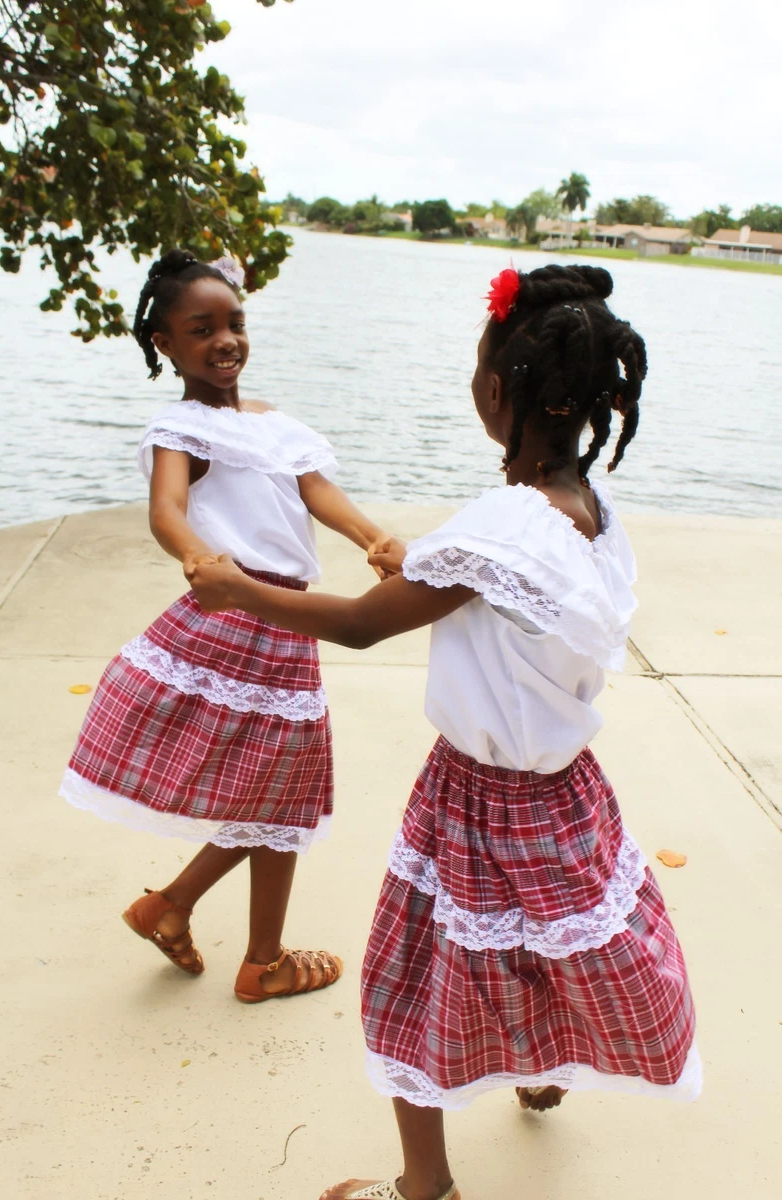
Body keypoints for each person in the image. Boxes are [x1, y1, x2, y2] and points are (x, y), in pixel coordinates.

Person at [188, 263, 700, 1200]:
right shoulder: (588, 507)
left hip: (477, 796)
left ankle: (425, 1187)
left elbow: (359, 621)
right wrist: (416, 557)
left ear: (496, 391)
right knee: (535, 944)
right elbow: (492, 586)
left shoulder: (505, 525)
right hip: (566, 790)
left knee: (413, 979)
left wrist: (235, 589)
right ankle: (539, 1065)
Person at [60, 248, 394, 1003]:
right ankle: (259, 958)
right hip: (238, 611)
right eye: (201, 328)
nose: (225, 341)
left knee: (280, 792)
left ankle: (173, 907)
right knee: (286, 791)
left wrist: (373, 539)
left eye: (236, 323)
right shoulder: (180, 427)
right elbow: (167, 510)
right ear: (166, 344)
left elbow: (318, 490)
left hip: (285, 621)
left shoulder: (275, 424)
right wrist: (200, 560)